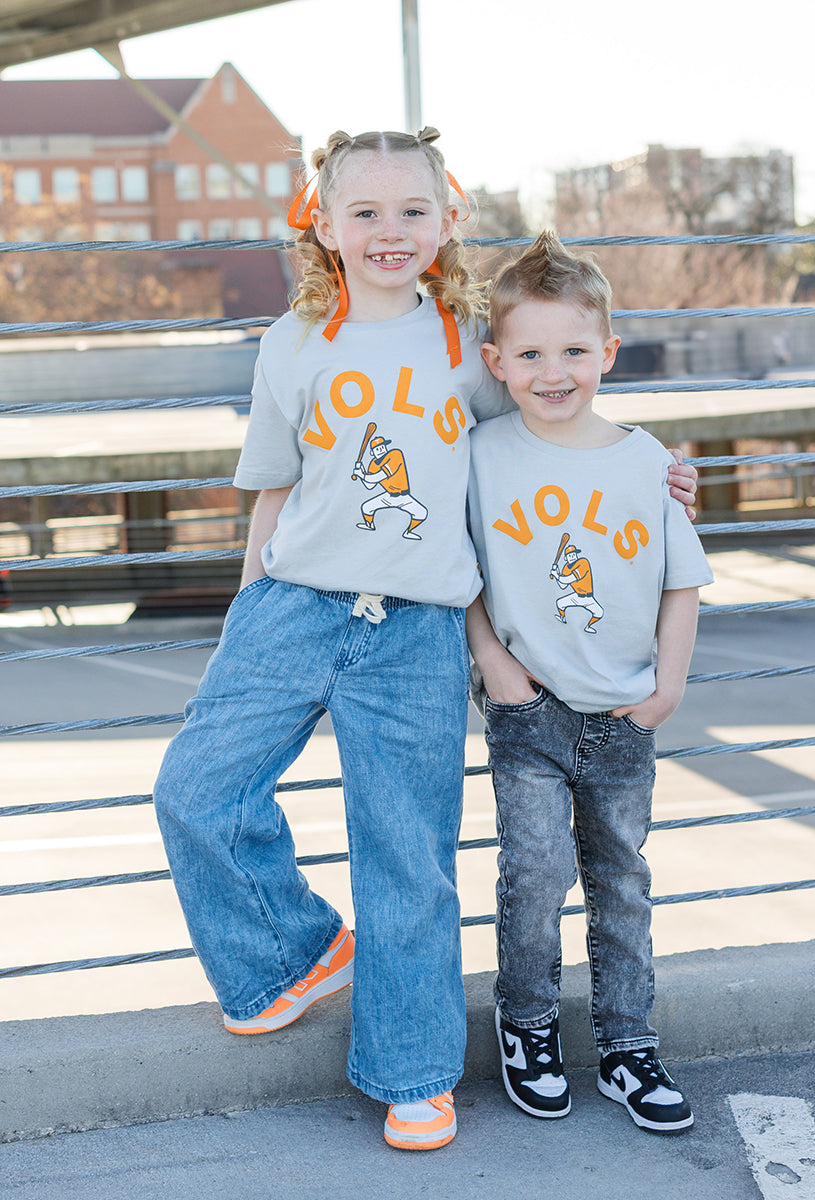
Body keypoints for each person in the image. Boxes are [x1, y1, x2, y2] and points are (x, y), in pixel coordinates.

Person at [154, 131, 698, 1152]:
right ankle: (293, 951)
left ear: (449, 221)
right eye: (364, 213)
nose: (389, 232)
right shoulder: (291, 344)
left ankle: (412, 1073)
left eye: (413, 211)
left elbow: (553, 414)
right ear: (322, 224)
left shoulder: (465, 340)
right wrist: (245, 607)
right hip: (293, 604)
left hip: (416, 629)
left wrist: (647, 474)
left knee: (407, 859)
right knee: (196, 789)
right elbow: (276, 484)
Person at [465, 230, 713, 1133]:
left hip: (623, 713)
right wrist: (494, 665)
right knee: (532, 876)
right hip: (527, 710)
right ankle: (527, 1025)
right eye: (529, 353)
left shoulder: (648, 461)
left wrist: (667, 691)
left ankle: (626, 1045)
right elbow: (459, 572)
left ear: (608, 351)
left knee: (622, 881)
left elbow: (682, 582)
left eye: (574, 350)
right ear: (496, 361)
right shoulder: (481, 453)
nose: (554, 370)